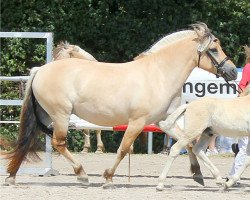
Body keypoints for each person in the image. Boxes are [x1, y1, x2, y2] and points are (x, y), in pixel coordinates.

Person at [228, 45, 250, 184]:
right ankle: (233, 176)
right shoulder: (248, 67)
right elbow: (242, 86)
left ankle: (233, 175)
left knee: (244, 147)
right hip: (246, 109)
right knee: (244, 146)